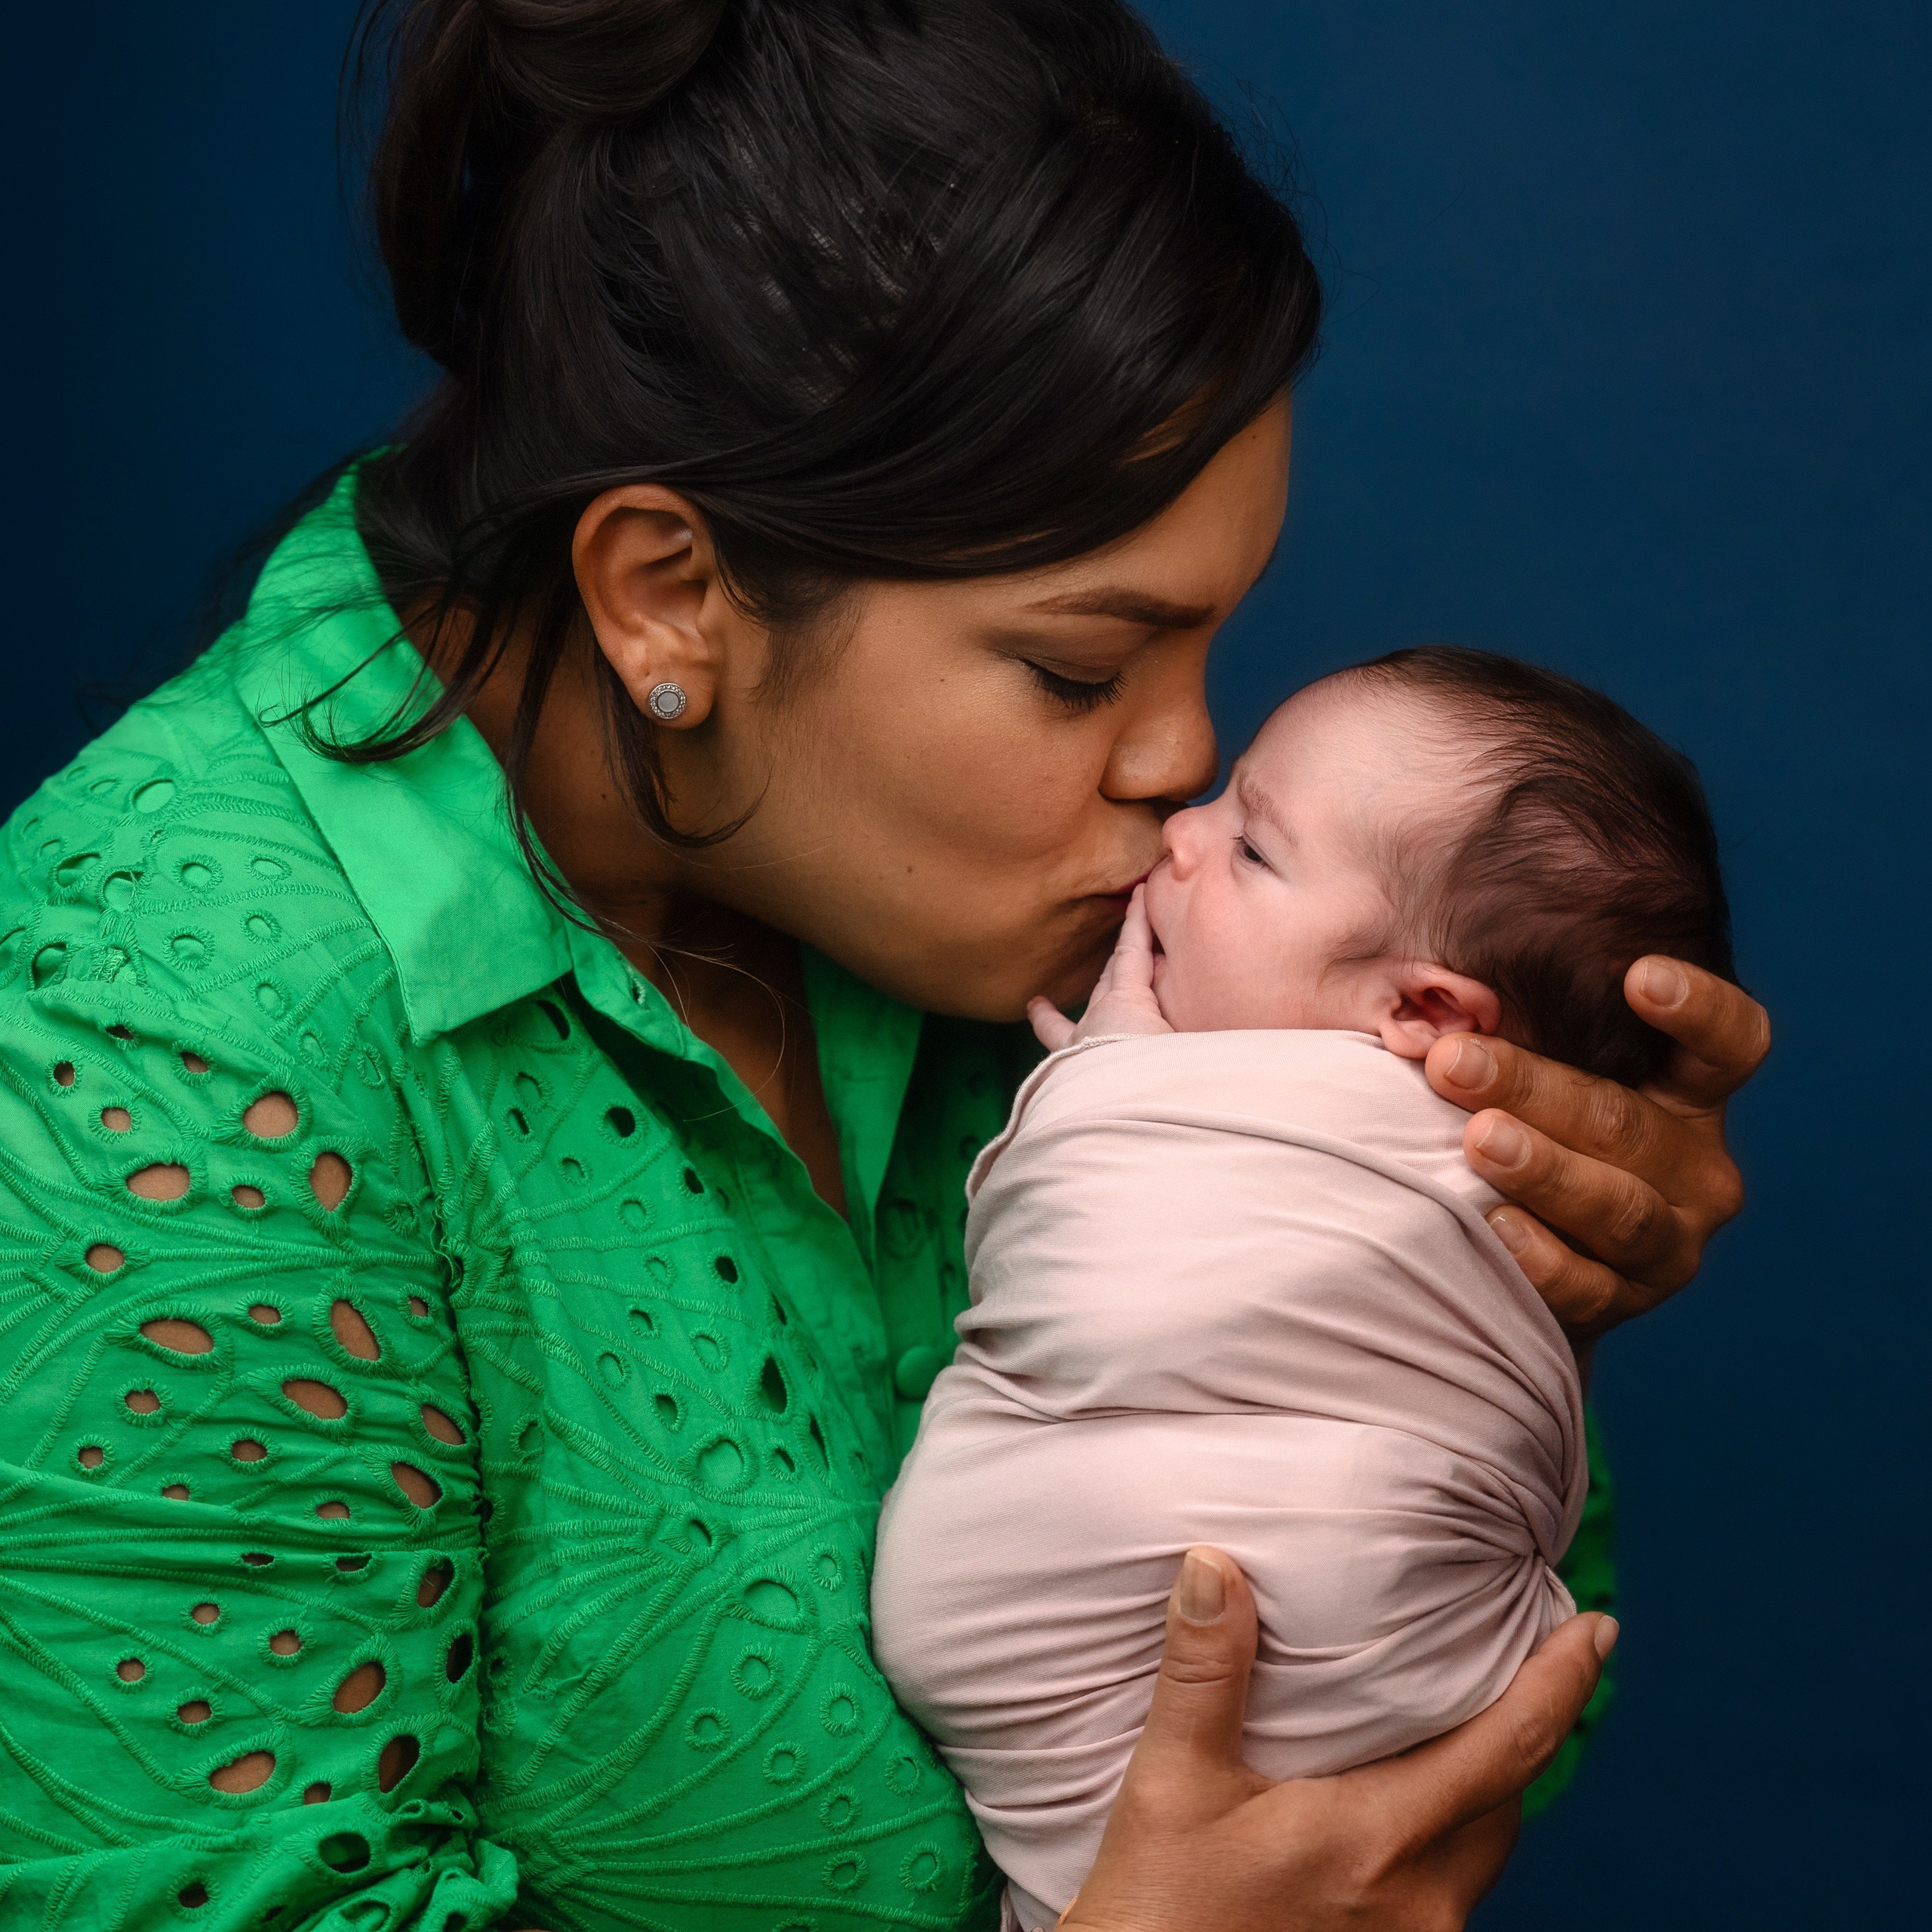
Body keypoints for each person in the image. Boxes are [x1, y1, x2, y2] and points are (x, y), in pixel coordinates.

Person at [0, 4, 1766, 1929]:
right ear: (667, 595)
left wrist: (1494, 1253)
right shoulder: (162, 1047)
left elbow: (1403, 1702)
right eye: (1082, 671)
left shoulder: (1040, 922)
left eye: (1205, 646)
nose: (1184, 758)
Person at [873, 648, 1734, 1927]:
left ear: (1426, 1014)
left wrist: (1106, 1073)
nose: (1179, 827)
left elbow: (1434, 1432)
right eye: (1072, 663)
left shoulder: (1464, 1158)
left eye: (1252, 850)